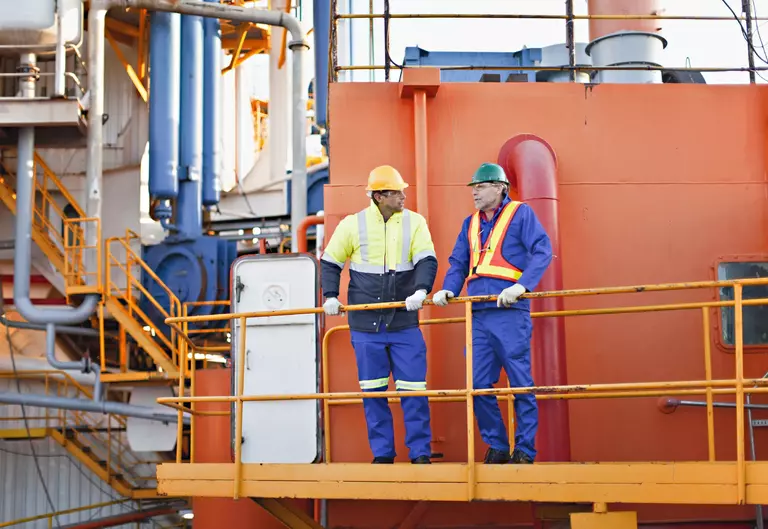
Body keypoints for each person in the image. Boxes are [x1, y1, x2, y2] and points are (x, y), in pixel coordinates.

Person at [432, 162, 552, 464]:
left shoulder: (520, 214)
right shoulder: (469, 223)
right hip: (478, 312)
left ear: (500, 188)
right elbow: (458, 262)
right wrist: (449, 288)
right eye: (473, 186)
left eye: (481, 185)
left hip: (509, 310)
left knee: (520, 381)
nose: (475, 191)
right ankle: (497, 446)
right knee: (478, 384)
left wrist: (522, 286)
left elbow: (542, 250)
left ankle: (524, 450)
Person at [320, 164, 438, 464]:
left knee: (414, 392)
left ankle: (420, 454)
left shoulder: (415, 222)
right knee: (373, 395)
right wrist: (330, 296)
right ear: (379, 196)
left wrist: (422, 290)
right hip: (365, 325)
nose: (403, 196)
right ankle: (383, 454)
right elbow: (330, 262)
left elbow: (427, 258)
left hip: (403, 322)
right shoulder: (352, 224)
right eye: (397, 192)